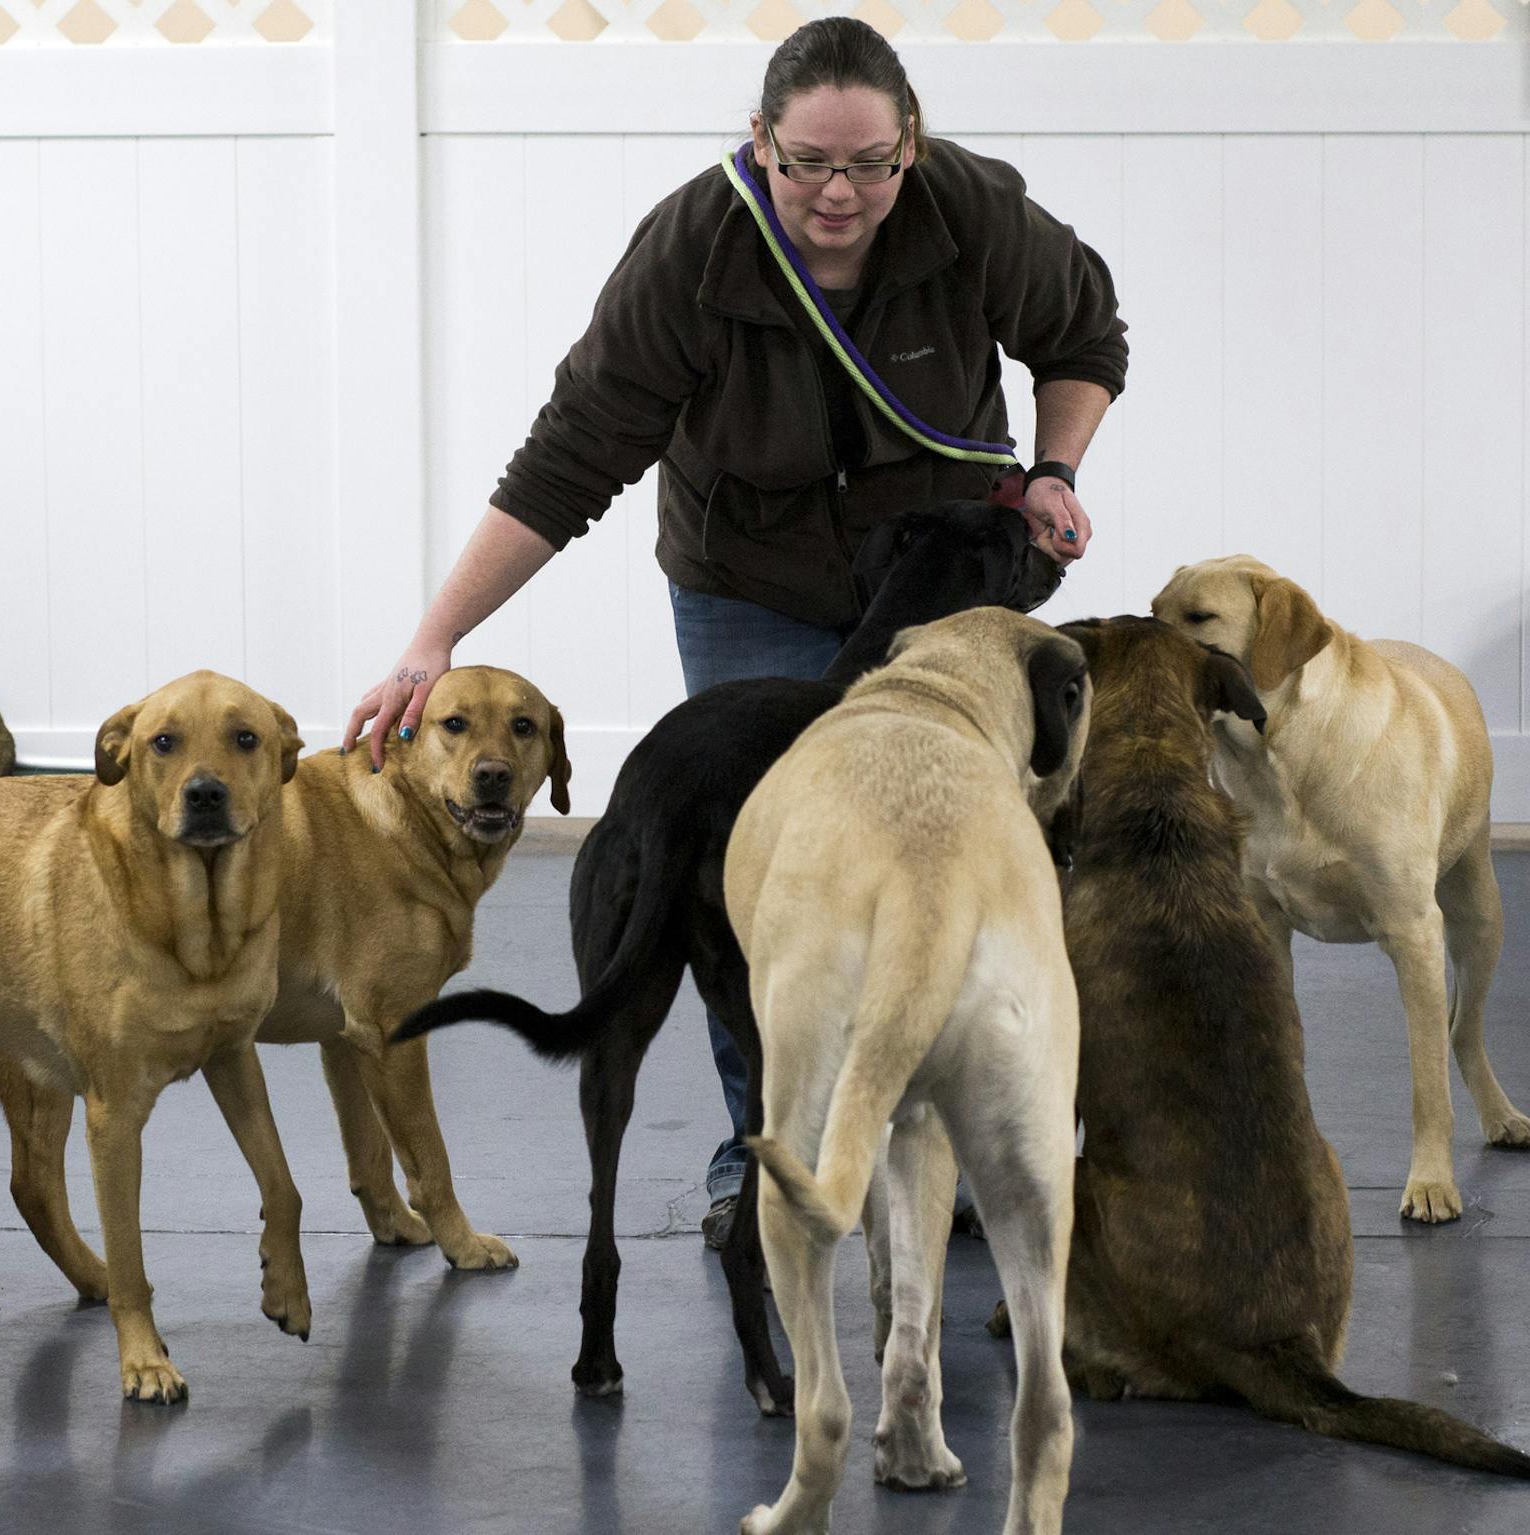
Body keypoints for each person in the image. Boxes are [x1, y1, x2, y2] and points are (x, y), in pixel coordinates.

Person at [343, 17, 1127, 1248]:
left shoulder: (972, 212)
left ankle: (946, 1146)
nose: (838, 191)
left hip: (935, 583)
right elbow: (567, 463)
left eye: (868, 163)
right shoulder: (691, 252)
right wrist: (433, 638)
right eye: (808, 159)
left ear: (909, 147)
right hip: (745, 581)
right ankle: (756, 1153)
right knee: (757, 871)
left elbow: (1084, 336)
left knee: (954, 850)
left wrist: (1051, 469)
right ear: (759, 143)